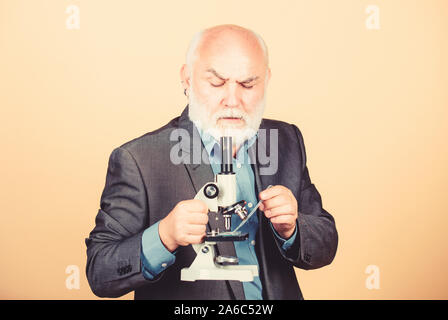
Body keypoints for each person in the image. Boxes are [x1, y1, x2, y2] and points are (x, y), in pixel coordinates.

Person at [85, 24, 338, 300]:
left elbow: (326, 243)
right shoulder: (138, 159)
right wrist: (164, 236)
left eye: (248, 84)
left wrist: (293, 228)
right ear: (187, 79)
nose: (232, 100)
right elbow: (101, 272)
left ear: (266, 80)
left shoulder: (286, 141)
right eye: (216, 83)